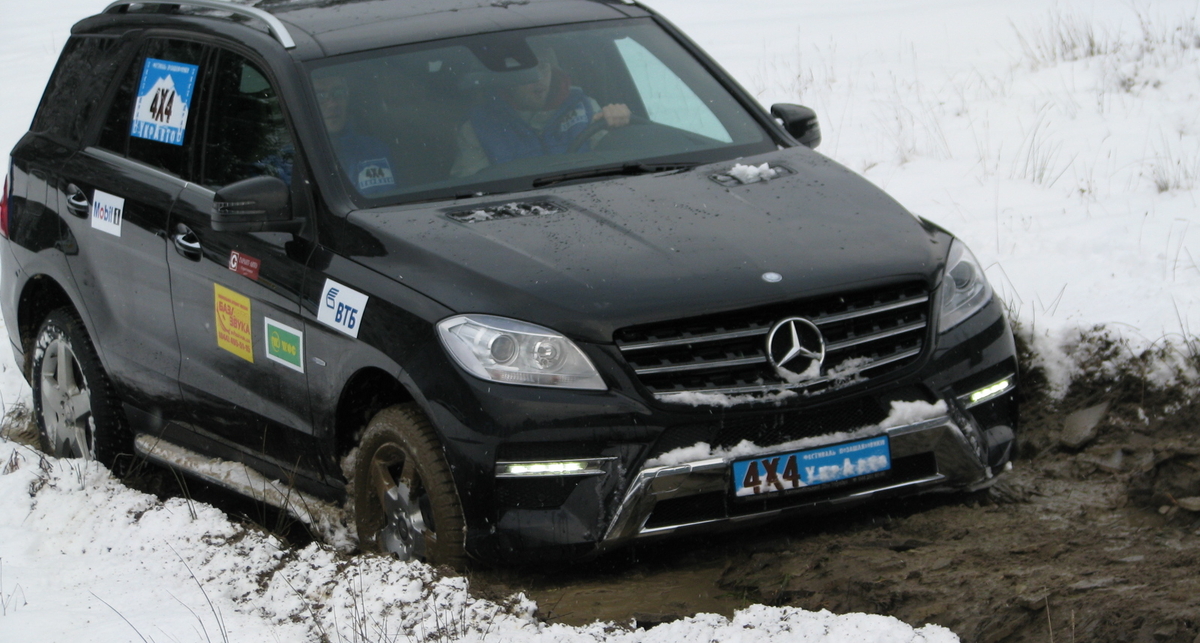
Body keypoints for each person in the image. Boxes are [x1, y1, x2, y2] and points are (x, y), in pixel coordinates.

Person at [451, 48, 632, 177]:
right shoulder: (479, 127)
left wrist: (619, 123)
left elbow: (619, 163)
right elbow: (471, 192)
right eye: (527, 71)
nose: (539, 78)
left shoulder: (585, 108)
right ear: (507, 80)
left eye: (543, 67)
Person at [313, 73, 397, 195]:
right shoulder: (296, 155)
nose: (333, 104)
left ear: (348, 98)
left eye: (338, 93)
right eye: (320, 96)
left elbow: (384, 200)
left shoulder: (374, 150)